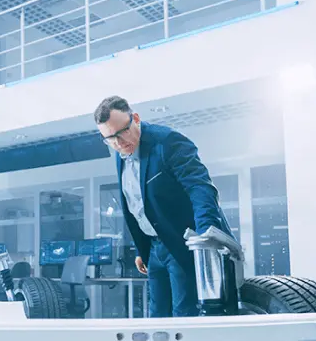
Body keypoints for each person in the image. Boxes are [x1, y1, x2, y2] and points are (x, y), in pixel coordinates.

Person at [94, 95, 231, 318]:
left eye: (123, 132)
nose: (118, 142)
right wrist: (142, 248)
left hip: (182, 243)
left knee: (183, 316)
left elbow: (200, 188)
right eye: (110, 138)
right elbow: (137, 203)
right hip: (155, 248)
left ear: (135, 118)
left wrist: (206, 235)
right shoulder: (121, 152)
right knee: (157, 316)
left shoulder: (167, 142)